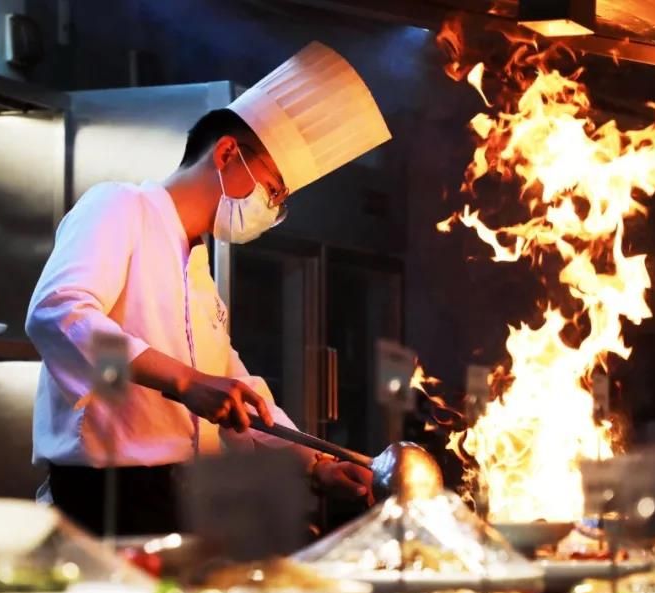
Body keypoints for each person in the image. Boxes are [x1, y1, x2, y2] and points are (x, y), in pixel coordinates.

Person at [26, 42, 392, 536]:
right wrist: (183, 382)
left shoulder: (197, 266)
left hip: (183, 497)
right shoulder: (119, 206)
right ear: (226, 153)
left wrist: (317, 465)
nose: (273, 208)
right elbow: (59, 316)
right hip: (108, 499)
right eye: (274, 189)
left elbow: (238, 392)